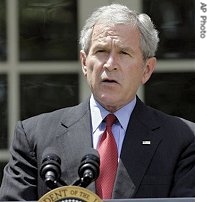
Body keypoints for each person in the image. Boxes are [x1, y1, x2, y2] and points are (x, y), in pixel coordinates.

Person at [0, 3, 194, 201]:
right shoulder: (33, 136)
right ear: (84, 63)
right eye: (101, 51)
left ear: (147, 69)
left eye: (124, 53)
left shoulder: (185, 139)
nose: (110, 64)